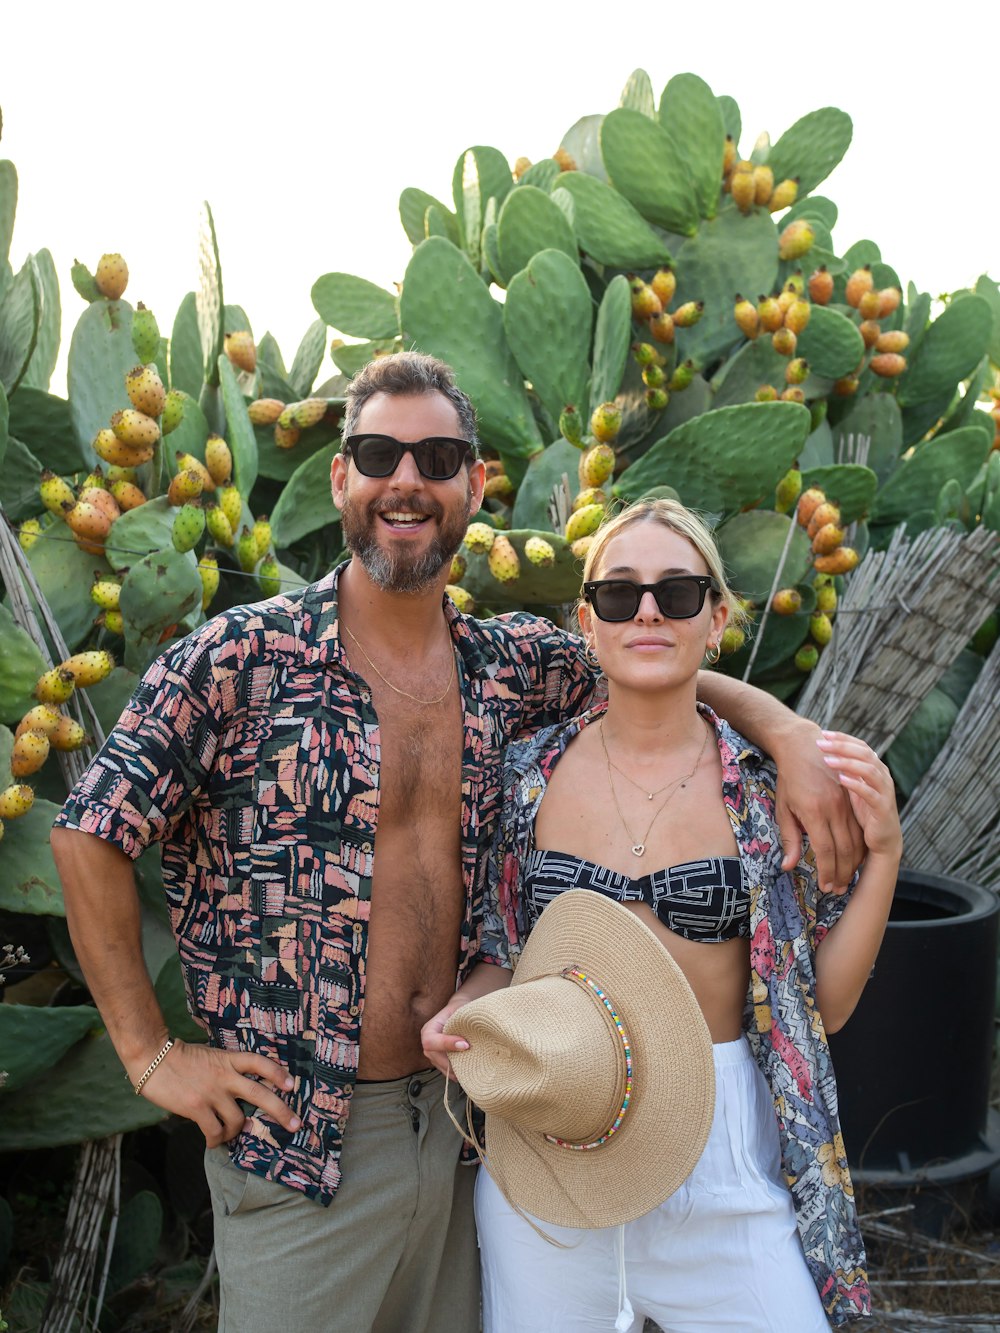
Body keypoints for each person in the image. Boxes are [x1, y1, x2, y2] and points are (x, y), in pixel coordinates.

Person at [50, 353, 866, 1333]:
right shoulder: (240, 660)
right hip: (306, 1132)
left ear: (474, 486)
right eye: (379, 452)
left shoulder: (507, 663)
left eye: (437, 456)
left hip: (466, 1118)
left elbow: (653, 655)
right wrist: (147, 1056)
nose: (407, 478)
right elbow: (90, 830)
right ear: (341, 478)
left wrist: (781, 734)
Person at [423, 498, 902, 1331]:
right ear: (587, 620)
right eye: (619, 595)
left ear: (716, 618)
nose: (647, 610)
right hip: (555, 1140)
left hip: (723, 1163)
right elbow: (503, 952)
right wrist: (470, 1006)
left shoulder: (766, 789)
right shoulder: (526, 775)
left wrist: (886, 855)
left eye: (677, 593)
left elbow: (814, 1009)